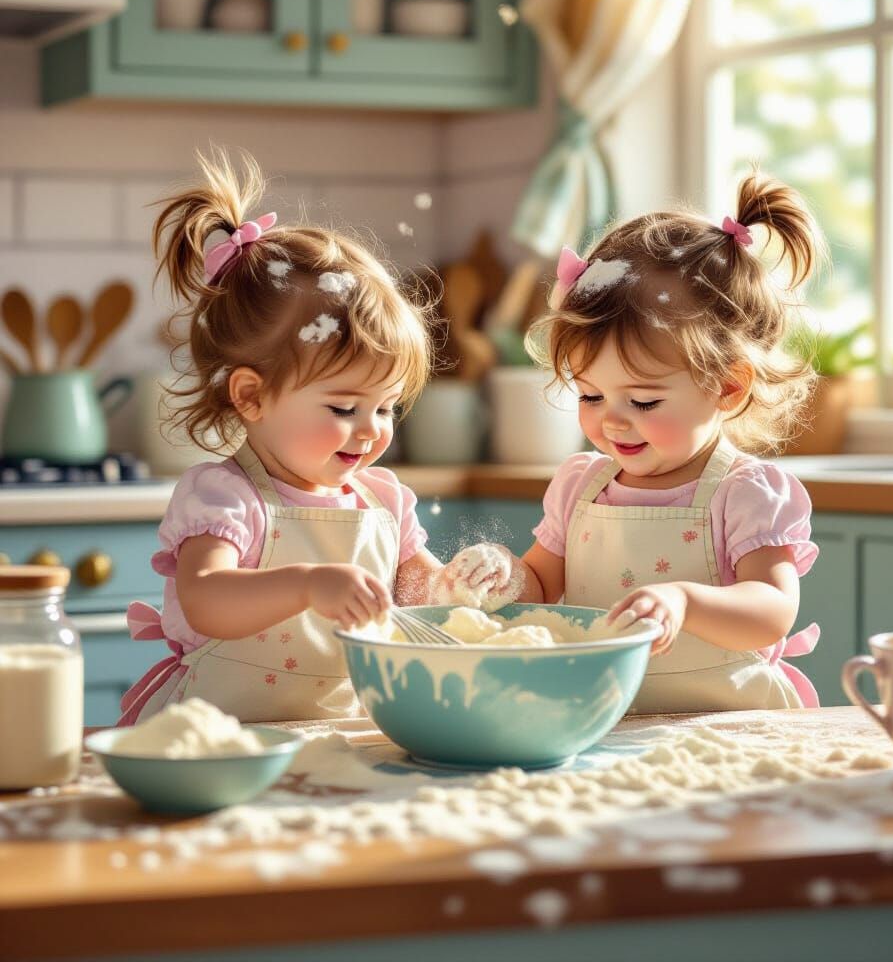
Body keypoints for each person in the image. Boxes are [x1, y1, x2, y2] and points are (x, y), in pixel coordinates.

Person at [440, 173, 824, 712]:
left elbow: (772, 609)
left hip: (724, 726)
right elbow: (542, 586)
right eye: (591, 396)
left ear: (728, 387)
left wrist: (683, 600)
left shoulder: (743, 492)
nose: (612, 423)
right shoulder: (581, 486)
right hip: (602, 718)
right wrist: (502, 575)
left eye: (642, 402)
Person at [119, 149, 442, 724]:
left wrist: (460, 583)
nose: (372, 430)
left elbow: (423, 600)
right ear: (251, 396)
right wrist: (306, 584)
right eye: (345, 406)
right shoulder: (224, 497)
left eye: (388, 407)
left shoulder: (385, 502)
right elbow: (207, 599)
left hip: (338, 735)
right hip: (219, 739)